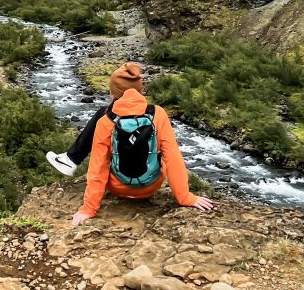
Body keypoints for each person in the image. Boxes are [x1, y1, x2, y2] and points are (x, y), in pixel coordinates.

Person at [47, 62, 214, 225]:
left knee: (105, 160)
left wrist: (89, 209)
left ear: (114, 93)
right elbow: (173, 158)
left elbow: (98, 168)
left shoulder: (105, 121)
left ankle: (70, 160)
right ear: (140, 90)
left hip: (118, 188)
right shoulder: (158, 114)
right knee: (163, 154)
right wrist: (185, 197)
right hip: (150, 187)